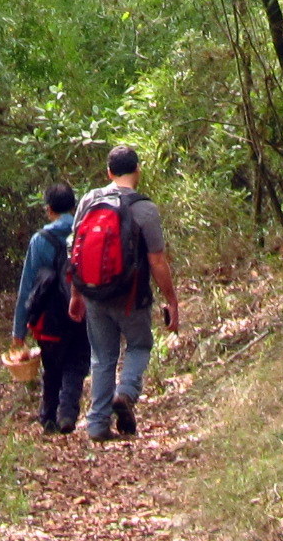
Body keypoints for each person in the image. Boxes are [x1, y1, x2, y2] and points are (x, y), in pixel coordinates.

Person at [70, 144, 177, 443]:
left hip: (94, 294)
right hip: (131, 297)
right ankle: (126, 392)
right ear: (138, 170)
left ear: (109, 172)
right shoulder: (145, 209)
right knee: (140, 345)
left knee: (102, 357)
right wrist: (171, 300)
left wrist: (76, 293)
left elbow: (75, 250)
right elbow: (157, 261)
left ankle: (97, 425)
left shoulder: (90, 200)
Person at [13, 182, 86, 433]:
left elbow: (27, 286)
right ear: (74, 207)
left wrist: (19, 330)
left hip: (49, 315)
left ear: (48, 209)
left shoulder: (40, 240)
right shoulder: (84, 231)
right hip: (81, 309)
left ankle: (48, 418)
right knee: (76, 363)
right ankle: (67, 413)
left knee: (51, 366)